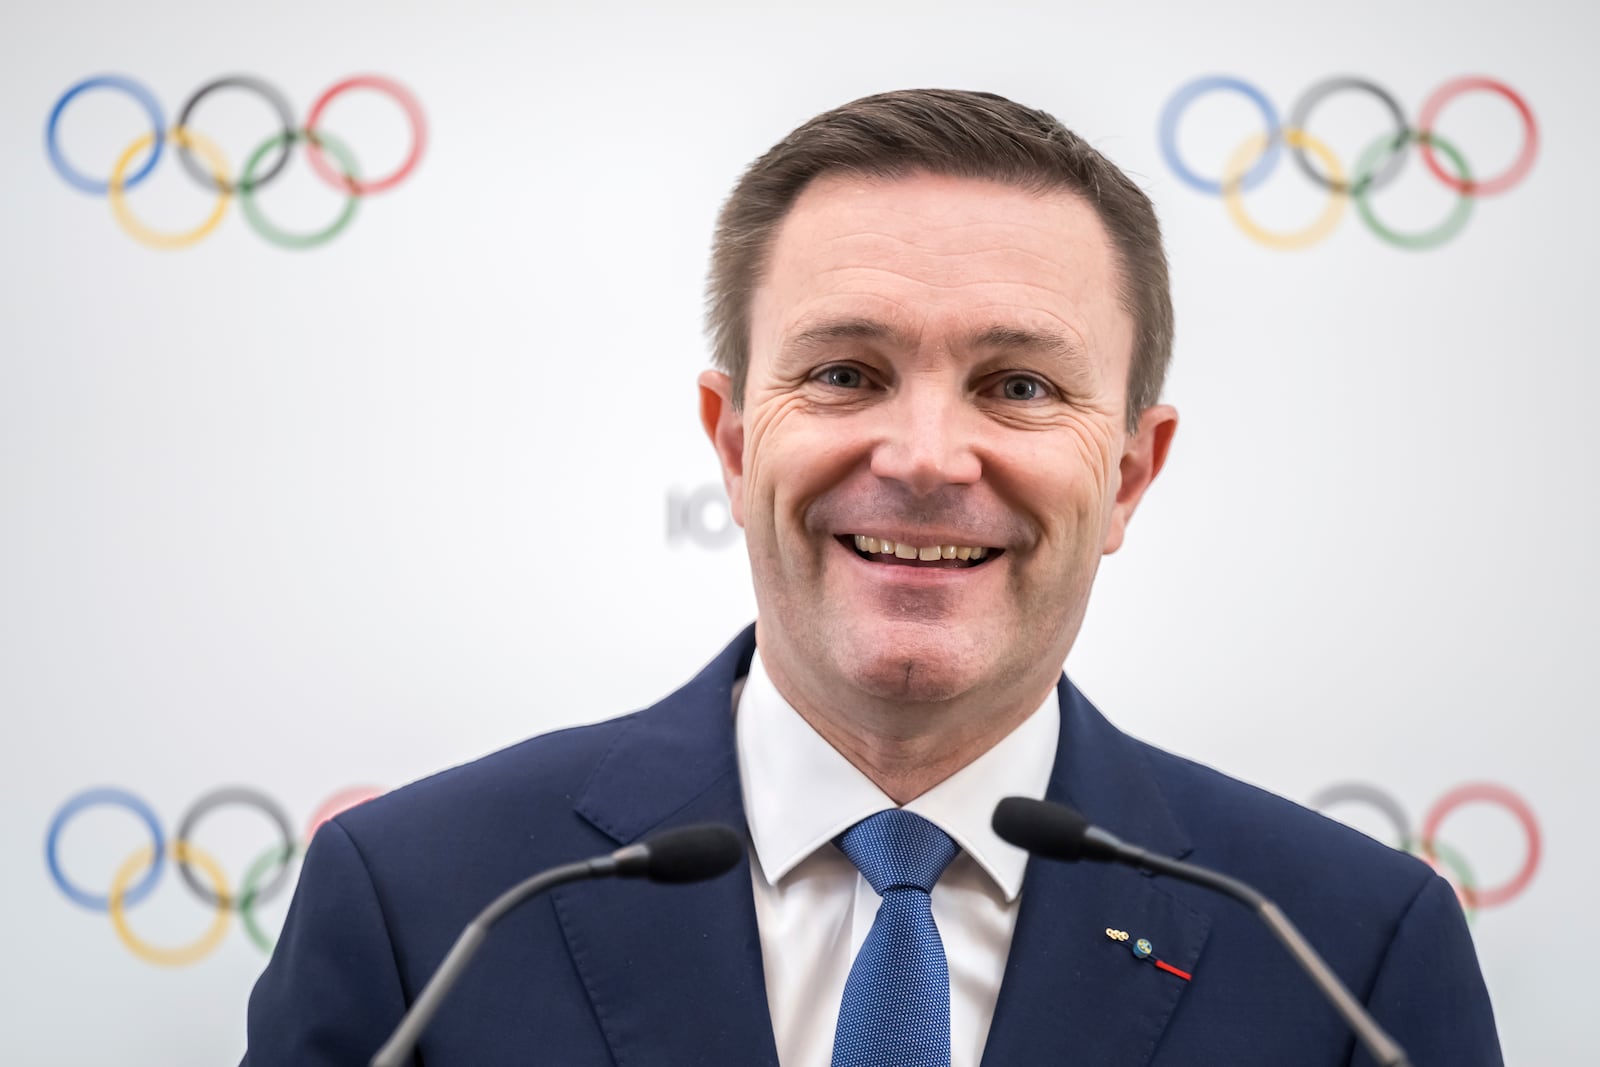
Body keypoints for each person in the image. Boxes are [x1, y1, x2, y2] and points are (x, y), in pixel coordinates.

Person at [241, 89, 1500, 1066]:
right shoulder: (423, 901)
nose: (924, 458)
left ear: (1127, 473)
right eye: (844, 371)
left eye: (1018, 385)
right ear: (733, 442)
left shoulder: (1345, 945)